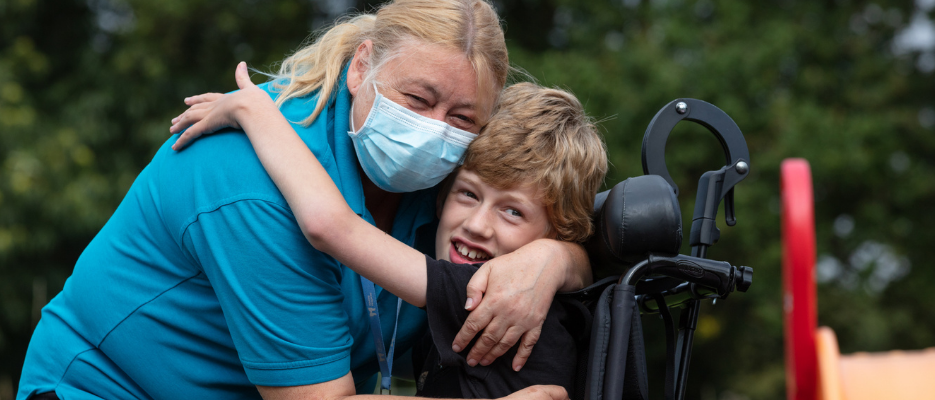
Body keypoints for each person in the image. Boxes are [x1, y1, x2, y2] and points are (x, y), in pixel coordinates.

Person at [17, 1, 592, 399]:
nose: (434, 130)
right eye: (417, 99)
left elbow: (556, 224)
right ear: (362, 66)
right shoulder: (250, 185)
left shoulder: (454, 183)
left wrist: (552, 262)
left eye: (462, 117)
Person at [169, 63, 608, 398]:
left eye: (512, 212)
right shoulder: (552, 295)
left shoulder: (481, 292)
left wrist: (256, 112)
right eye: (469, 194)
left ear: (558, 231)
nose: (477, 225)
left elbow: (333, 226)